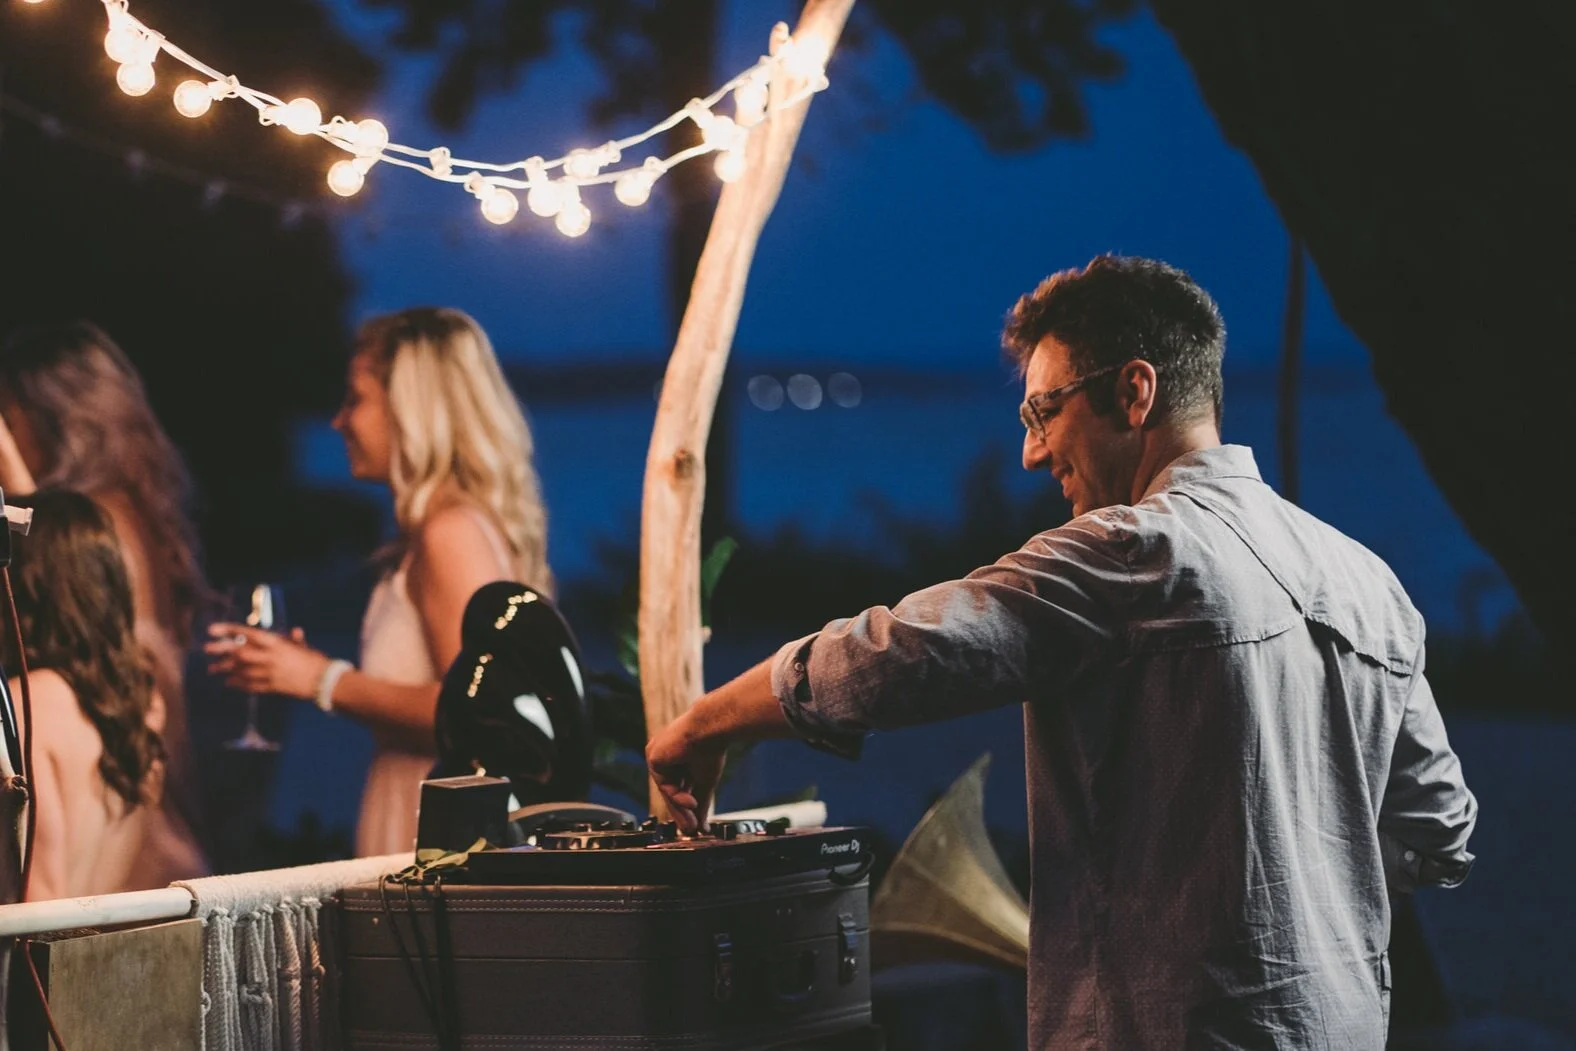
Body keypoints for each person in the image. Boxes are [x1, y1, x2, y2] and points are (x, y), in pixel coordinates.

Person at [647, 256, 1478, 1048]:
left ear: (1134, 390)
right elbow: (1440, 836)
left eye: (1043, 412)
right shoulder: (1372, 583)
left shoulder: (1132, 553)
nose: (1032, 452)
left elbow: (898, 655)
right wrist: (1304, 877)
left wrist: (709, 724)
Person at [206, 307, 553, 857]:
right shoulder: (441, 530)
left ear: (412, 411)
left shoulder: (450, 532)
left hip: (438, 843)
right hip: (417, 820)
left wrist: (321, 679)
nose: (338, 422)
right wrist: (308, 674)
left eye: (356, 400)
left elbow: (477, 714)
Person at [0, 321, 208, 887]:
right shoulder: (135, 514)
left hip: (118, 826)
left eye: (12, 421)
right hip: (130, 803)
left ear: (51, 419)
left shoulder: (94, 529)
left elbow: (34, 551)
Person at [2, 491, 169, 900]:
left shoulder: (27, 703)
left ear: (25, 585)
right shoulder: (142, 702)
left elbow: (40, 896)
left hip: (37, 960)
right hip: (102, 953)